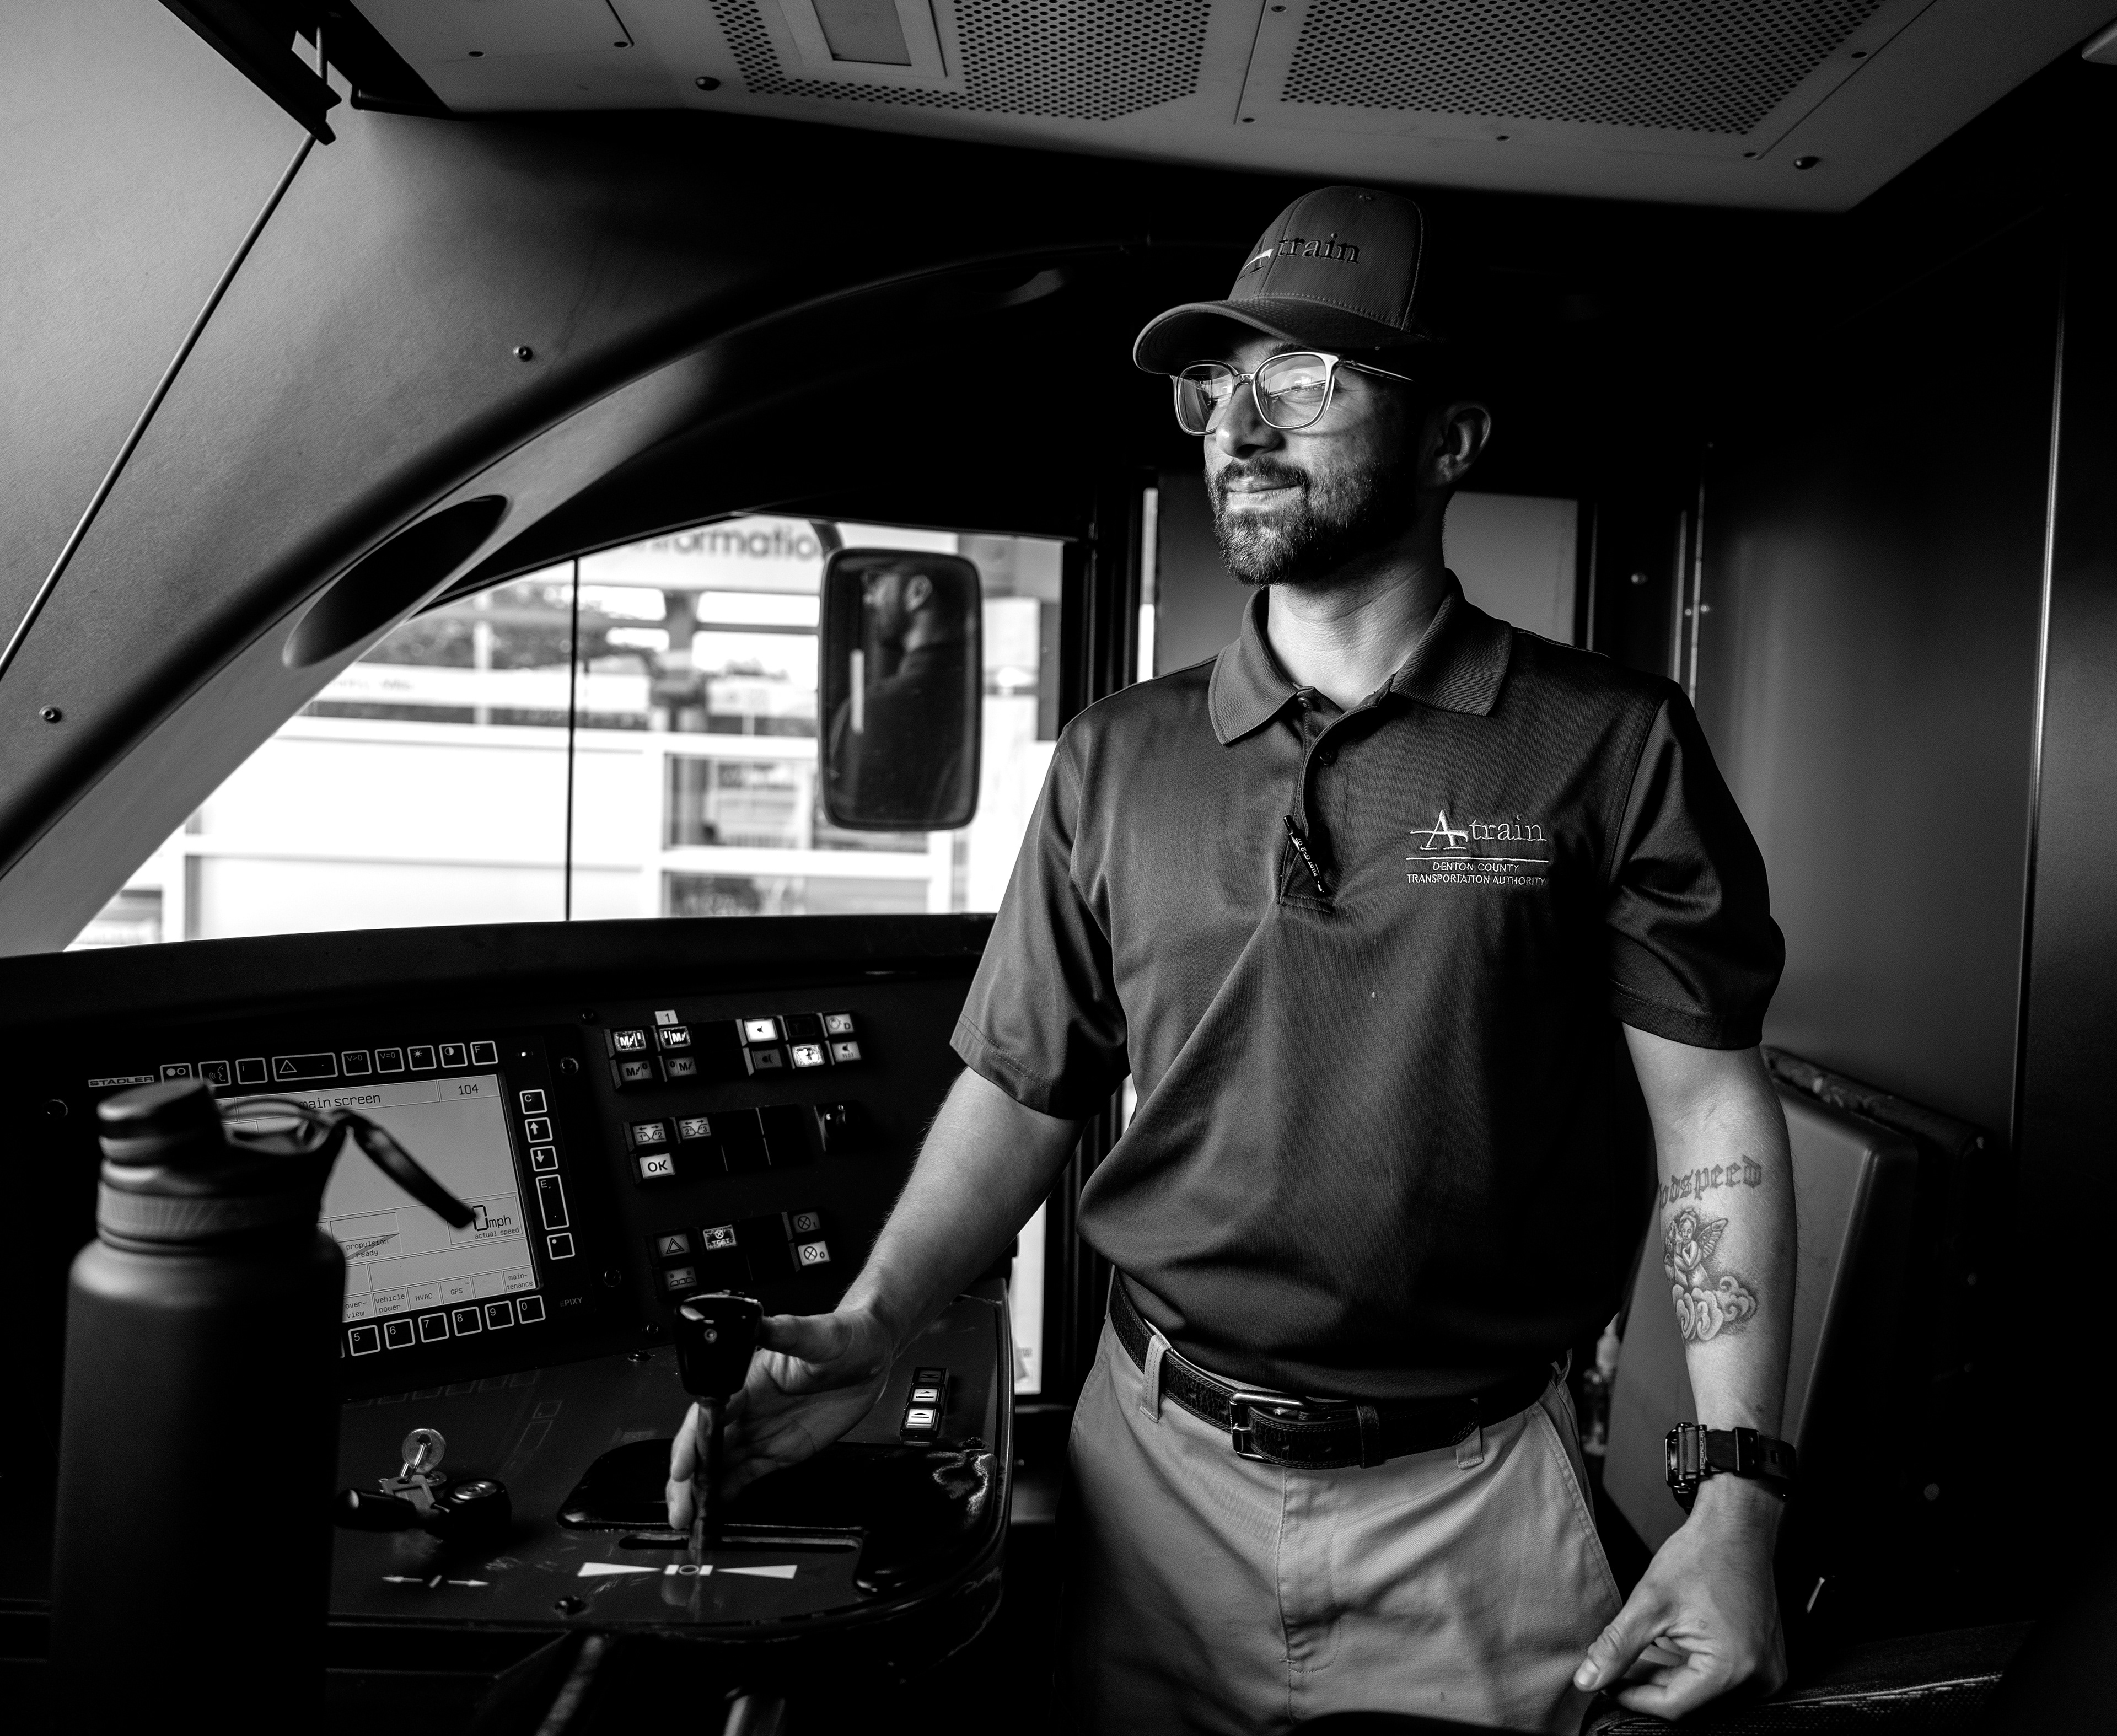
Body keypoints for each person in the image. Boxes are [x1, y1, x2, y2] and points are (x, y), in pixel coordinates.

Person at [670, 185, 1797, 1733]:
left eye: (1308, 383)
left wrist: (1737, 1498)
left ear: (1454, 439)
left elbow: (1713, 1124)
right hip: (1156, 1484)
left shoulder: (1611, 746)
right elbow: (1020, 1089)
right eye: (1220, 387)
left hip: (1474, 1511)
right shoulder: (1115, 757)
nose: (1242, 428)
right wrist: (875, 1322)